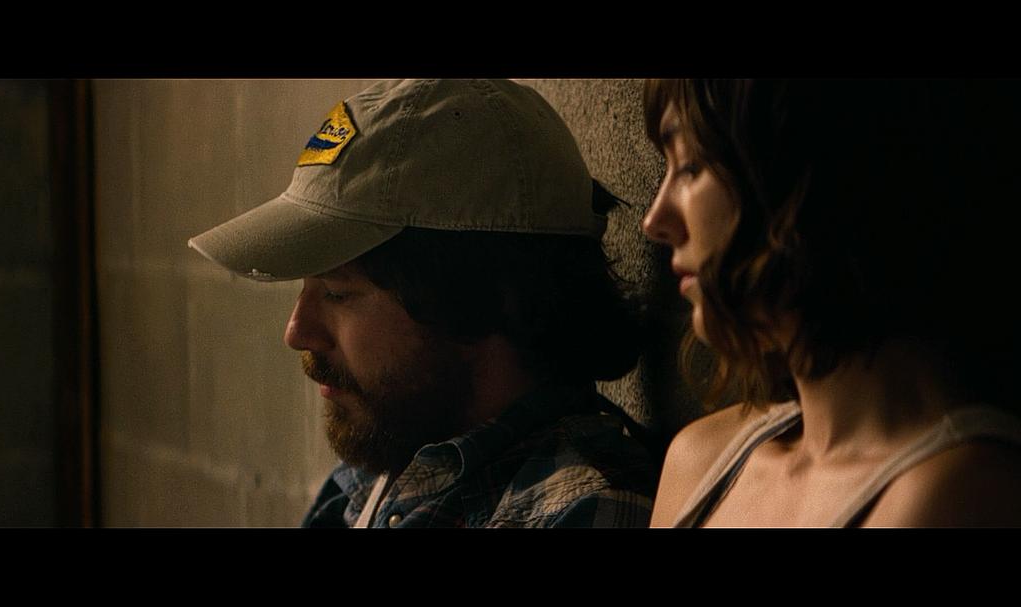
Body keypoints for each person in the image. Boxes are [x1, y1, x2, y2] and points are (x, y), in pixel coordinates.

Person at [188, 79, 658, 528]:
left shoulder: (580, 511)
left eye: (336, 292)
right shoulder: (375, 474)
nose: (297, 332)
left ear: (478, 298)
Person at [641, 79, 1021, 527]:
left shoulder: (960, 494)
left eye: (690, 165)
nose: (653, 221)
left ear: (800, 171)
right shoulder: (700, 459)